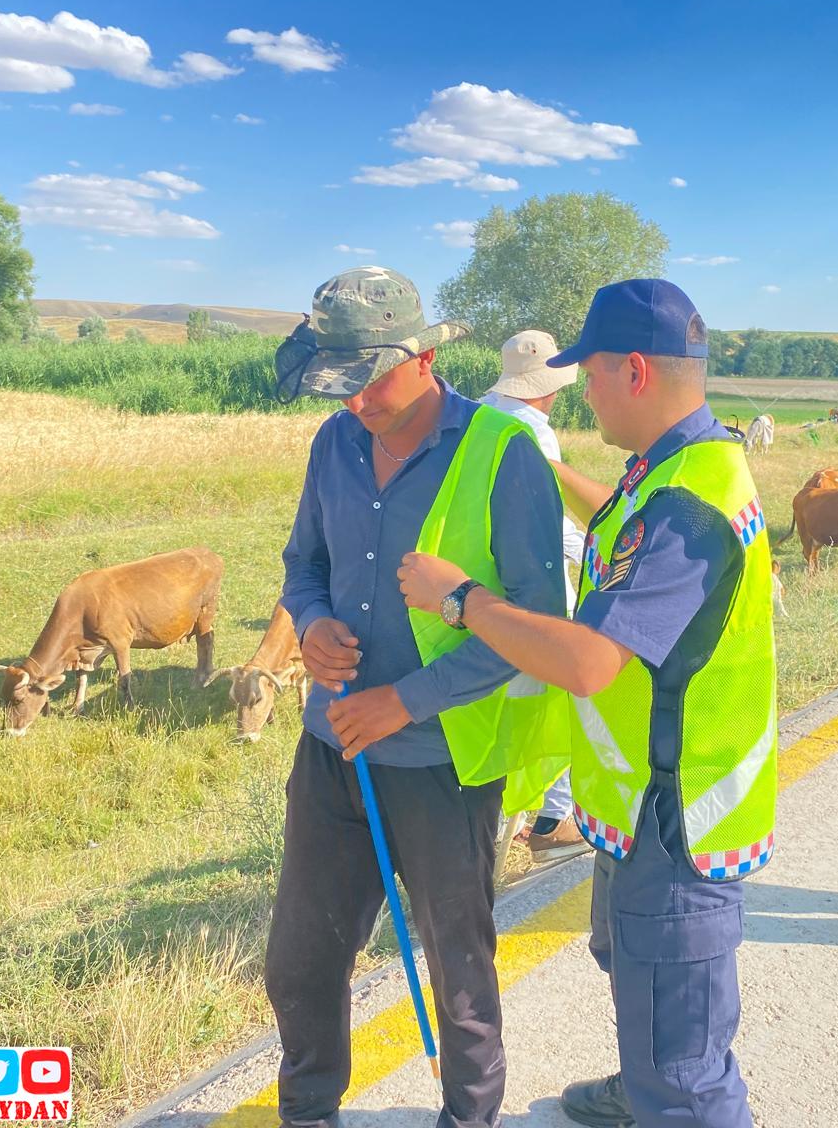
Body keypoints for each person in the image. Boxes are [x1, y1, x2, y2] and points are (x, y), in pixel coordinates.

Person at [400, 278, 776, 1128]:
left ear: (634, 370)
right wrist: (545, 466)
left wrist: (461, 599)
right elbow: (622, 520)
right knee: (638, 971)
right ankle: (644, 1078)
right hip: (640, 800)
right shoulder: (681, 463)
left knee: (685, 1059)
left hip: (678, 818)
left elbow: (589, 663)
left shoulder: (686, 506)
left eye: (591, 374)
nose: (585, 392)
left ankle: (667, 1096)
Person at [267, 266, 569, 1128]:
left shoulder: (502, 455)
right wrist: (314, 621)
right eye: (340, 381)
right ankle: (308, 1112)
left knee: (459, 971)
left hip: (442, 759)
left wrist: (406, 699)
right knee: (299, 961)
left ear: (427, 353)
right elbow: (305, 565)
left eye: (369, 378)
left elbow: (536, 623)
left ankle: (467, 1118)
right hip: (335, 749)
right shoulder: (332, 442)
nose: (355, 400)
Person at [479, 328, 591, 863]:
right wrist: (597, 548)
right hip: (530, 588)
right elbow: (546, 520)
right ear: (552, 384)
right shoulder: (532, 431)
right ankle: (550, 822)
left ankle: (494, 824)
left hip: (475, 588)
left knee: (494, 709)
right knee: (568, 695)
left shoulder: (474, 414)